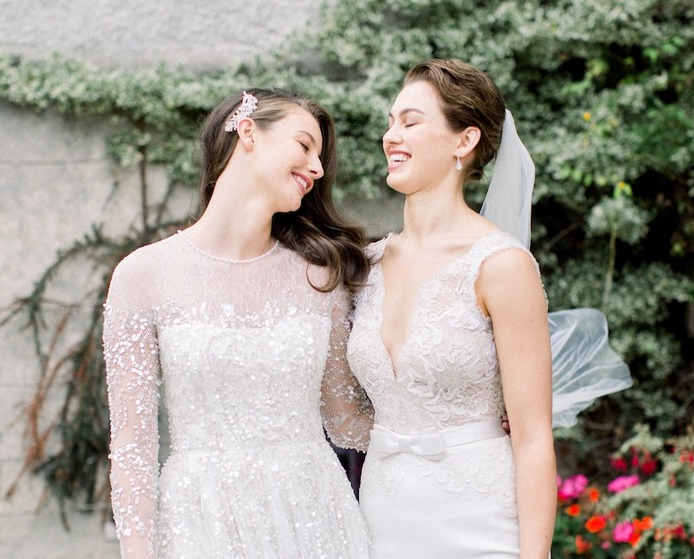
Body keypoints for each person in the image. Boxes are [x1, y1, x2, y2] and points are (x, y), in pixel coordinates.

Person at [345, 59, 632, 558]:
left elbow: (533, 436)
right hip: (382, 518)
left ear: (464, 140)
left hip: (479, 519)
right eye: (391, 121)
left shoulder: (501, 266)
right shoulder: (365, 265)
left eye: (410, 122)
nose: (391, 135)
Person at [102, 88, 374, 558]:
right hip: (201, 522)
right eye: (304, 145)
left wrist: (456, 421)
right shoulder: (142, 276)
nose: (317, 168)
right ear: (248, 131)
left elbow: (345, 421)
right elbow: (133, 447)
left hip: (313, 517)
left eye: (320, 157)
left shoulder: (321, 276)